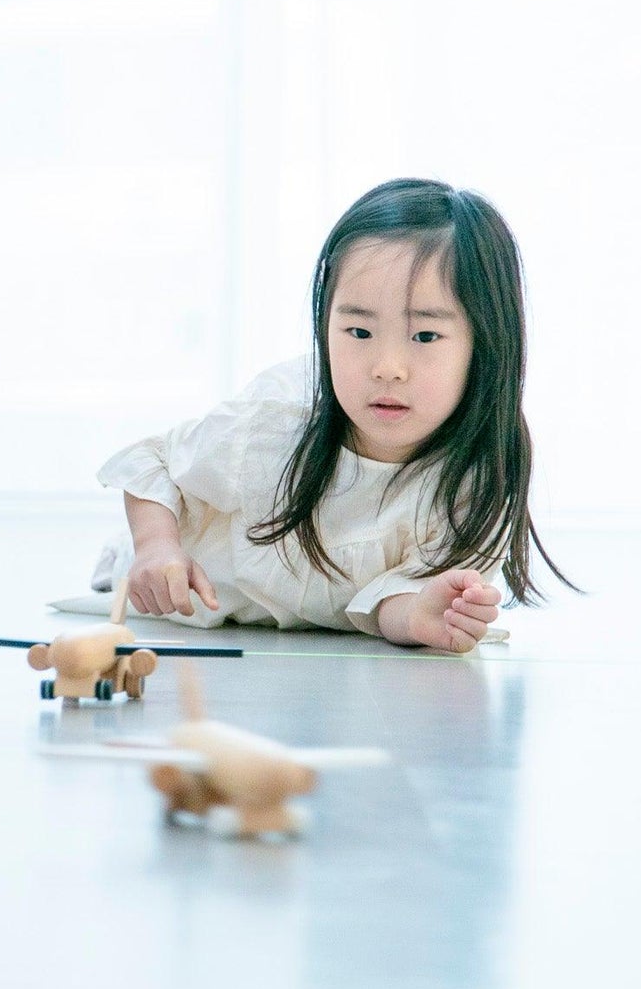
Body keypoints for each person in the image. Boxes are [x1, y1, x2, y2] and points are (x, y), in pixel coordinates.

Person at [94, 177, 572, 652]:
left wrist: (425, 615)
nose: (387, 369)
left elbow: (390, 604)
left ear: (486, 344)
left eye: (425, 337)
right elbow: (153, 465)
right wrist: (157, 548)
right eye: (358, 332)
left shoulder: (480, 475)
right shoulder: (278, 417)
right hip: (174, 607)